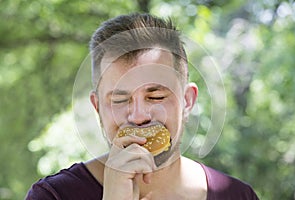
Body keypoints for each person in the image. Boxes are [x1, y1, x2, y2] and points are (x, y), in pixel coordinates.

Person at [26, 13, 259, 200]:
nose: (138, 116)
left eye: (156, 96)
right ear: (97, 107)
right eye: (119, 100)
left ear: (187, 101)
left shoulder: (237, 195)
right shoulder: (53, 195)